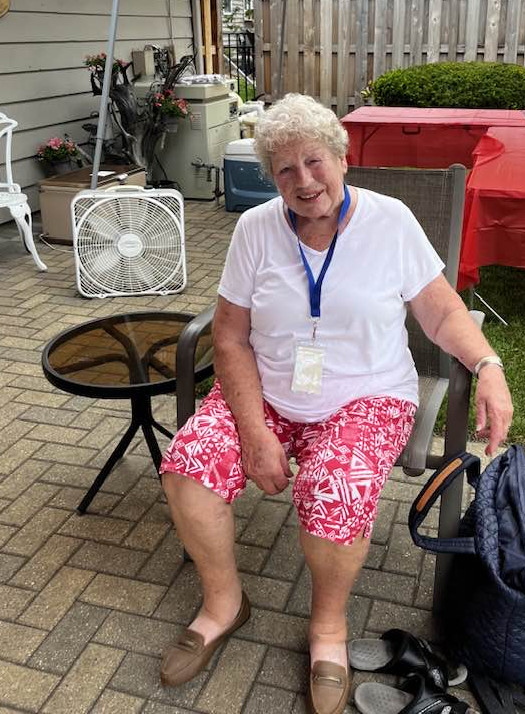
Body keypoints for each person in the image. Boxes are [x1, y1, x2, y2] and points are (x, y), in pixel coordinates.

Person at [158, 94, 513, 714]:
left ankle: (327, 627)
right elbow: (230, 335)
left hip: (367, 395)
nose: (303, 180)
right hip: (266, 392)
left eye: (314, 161)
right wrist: (253, 430)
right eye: (285, 169)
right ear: (271, 177)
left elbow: (440, 311)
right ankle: (224, 603)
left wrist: (486, 364)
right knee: (190, 461)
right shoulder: (254, 229)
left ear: (342, 159)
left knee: (334, 485)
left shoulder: (392, 222)